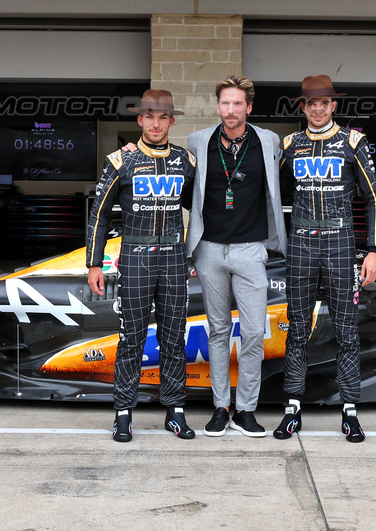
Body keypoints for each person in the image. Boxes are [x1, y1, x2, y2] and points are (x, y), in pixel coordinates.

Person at [274, 74, 376, 443]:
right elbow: (279, 195)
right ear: (302, 107)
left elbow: (374, 199)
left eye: (324, 103)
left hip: (340, 244)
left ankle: (350, 411)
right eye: (311, 104)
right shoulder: (290, 145)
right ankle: (292, 409)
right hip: (301, 244)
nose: (317, 109)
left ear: (333, 105)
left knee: (346, 331)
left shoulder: (353, 142)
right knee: (297, 329)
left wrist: (374, 250)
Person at [86, 89, 196, 443]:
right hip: (134, 257)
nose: (155, 124)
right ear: (139, 120)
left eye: (162, 117)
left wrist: (194, 253)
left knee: (173, 338)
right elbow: (99, 215)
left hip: (174, 259)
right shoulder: (120, 161)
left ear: (171, 122)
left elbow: (204, 210)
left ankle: (175, 411)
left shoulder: (186, 161)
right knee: (131, 337)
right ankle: (123, 413)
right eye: (149, 117)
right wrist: (94, 264)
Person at [186, 75, 288, 437]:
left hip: (250, 249)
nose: (231, 110)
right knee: (216, 331)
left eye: (237, 104)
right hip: (209, 249)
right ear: (218, 107)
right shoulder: (198, 141)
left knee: (252, 333)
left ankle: (246, 409)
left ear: (248, 107)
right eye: (225, 103)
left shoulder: (269, 141)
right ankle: (220, 407)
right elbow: (188, 193)